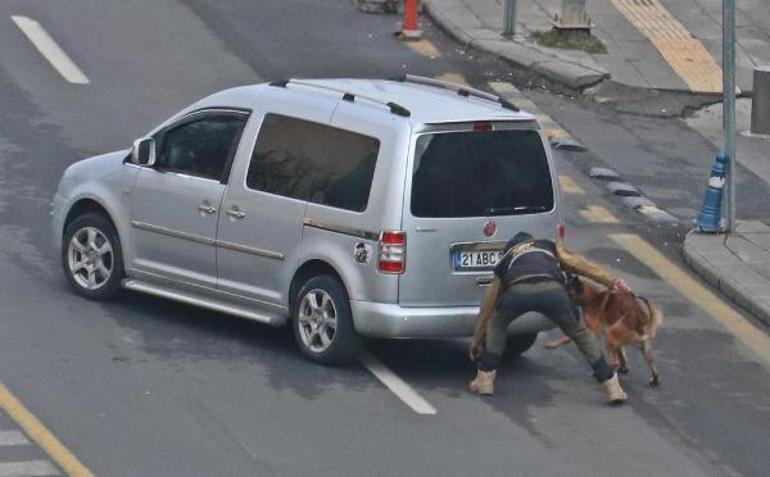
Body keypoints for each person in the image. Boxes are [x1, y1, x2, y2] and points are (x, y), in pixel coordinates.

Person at [468, 232, 630, 404]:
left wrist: (477, 339)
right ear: (531, 241)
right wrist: (611, 281)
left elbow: (489, 303)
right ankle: (612, 386)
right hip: (553, 292)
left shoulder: (508, 257)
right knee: (580, 334)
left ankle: (485, 380)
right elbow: (578, 264)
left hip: (517, 292)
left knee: (496, 324)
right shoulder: (547, 246)